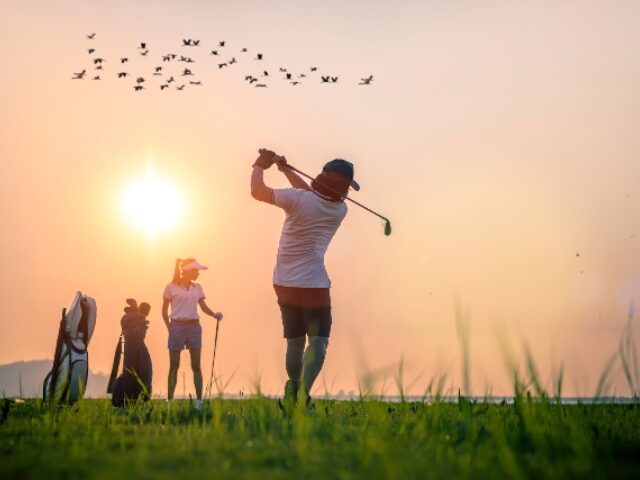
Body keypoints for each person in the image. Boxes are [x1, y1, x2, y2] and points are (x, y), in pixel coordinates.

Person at [250, 148, 359, 407]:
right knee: (319, 342)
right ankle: (302, 395)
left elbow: (257, 191)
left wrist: (259, 165)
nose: (347, 192)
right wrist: (287, 170)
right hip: (314, 285)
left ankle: (293, 390)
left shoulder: (296, 199)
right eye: (346, 186)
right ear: (339, 187)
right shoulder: (340, 211)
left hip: (283, 283)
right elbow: (314, 196)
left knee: (295, 342)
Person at [162, 258, 223, 408]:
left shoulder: (197, 288)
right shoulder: (171, 287)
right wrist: (169, 328)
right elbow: (164, 310)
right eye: (196, 271)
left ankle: (199, 402)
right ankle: (170, 401)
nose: (198, 274)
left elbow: (203, 307)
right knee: (174, 365)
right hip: (176, 326)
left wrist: (214, 314)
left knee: (196, 365)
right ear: (188, 271)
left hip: (194, 328)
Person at [110, 298, 153, 406]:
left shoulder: (133, 317)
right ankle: (133, 399)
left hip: (133, 348)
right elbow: (135, 332)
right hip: (134, 348)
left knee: (137, 373)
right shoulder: (136, 317)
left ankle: (133, 399)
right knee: (138, 373)